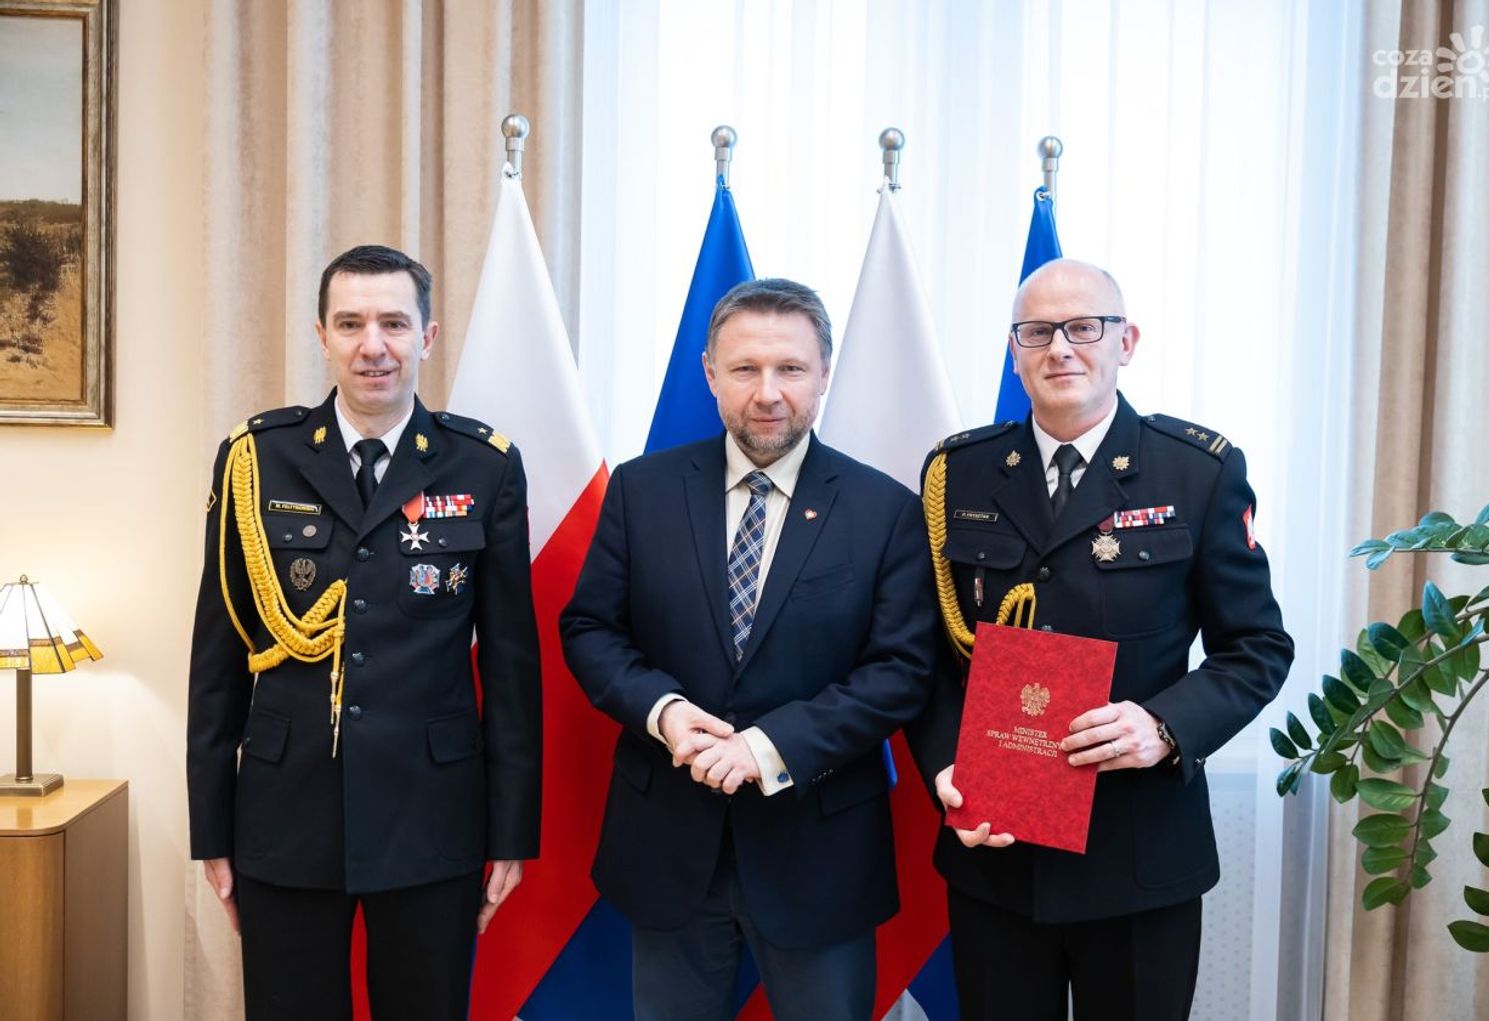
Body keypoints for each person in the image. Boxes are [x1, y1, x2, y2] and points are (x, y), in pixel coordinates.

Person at [908, 259, 1294, 1020]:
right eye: (1037, 332)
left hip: (1138, 855)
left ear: (1127, 342)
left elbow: (1257, 647)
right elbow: (925, 657)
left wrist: (1164, 726)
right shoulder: (959, 472)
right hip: (997, 855)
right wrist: (947, 764)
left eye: (1084, 327)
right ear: (1014, 351)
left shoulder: (1196, 472)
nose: (1060, 348)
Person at [560, 278, 938, 1021]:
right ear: (710, 373)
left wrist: (767, 747)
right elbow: (590, 629)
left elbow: (900, 671)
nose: (768, 393)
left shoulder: (886, 509)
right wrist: (664, 712)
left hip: (819, 853)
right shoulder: (642, 490)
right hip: (669, 846)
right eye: (744, 369)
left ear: (823, 374)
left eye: (790, 368)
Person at [186, 244, 541, 1020]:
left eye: (393, 323)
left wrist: (511, 831)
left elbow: (512, 664)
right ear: (322, 336)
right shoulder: (255, 460)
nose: (372, 345)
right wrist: (209, 828)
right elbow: (218, 658)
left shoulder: (483, 466)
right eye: (350, 324)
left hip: (432, 813)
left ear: (428, 336)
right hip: (285, 811)